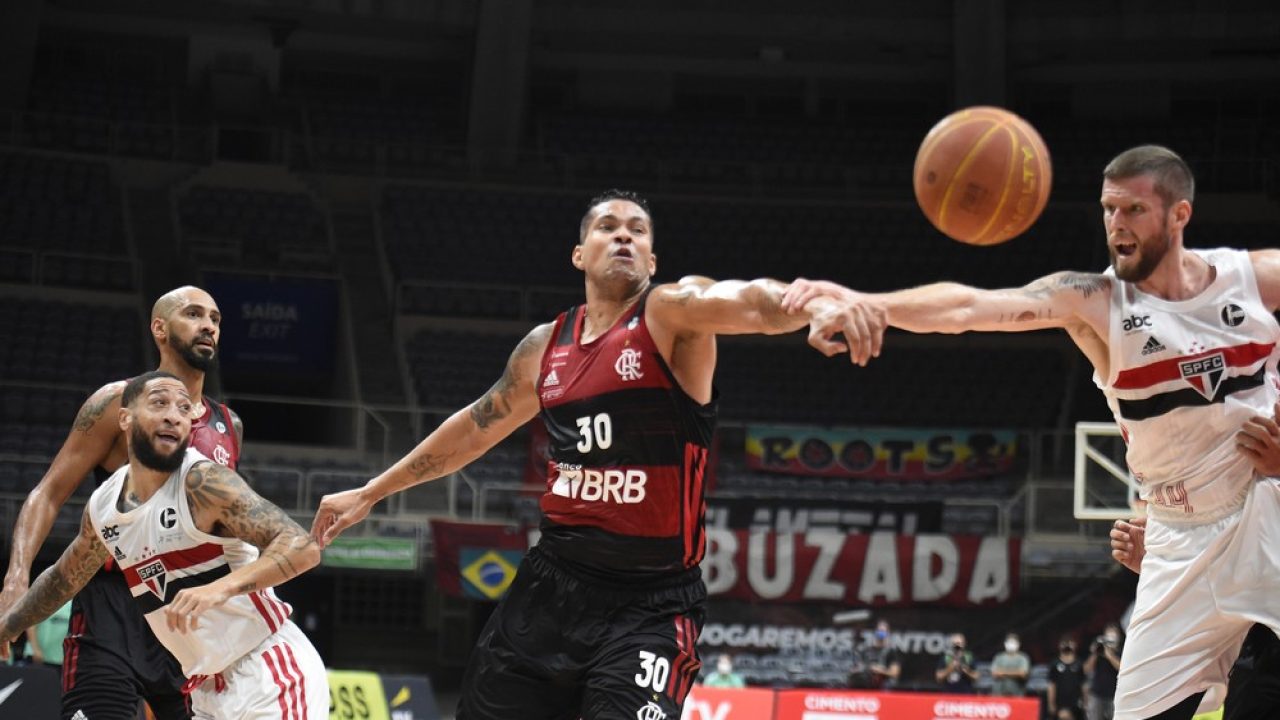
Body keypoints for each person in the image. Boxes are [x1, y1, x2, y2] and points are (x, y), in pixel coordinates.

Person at [310, 189, 885, 719]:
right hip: (550, 588)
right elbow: (475, 428)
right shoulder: (545, 346)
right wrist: (372, 491)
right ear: (579, 254)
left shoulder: (670, 315)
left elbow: (748, 302)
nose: (624, 236)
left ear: (653, 262)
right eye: (608, 227)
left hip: (650, 606)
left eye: (638, 230)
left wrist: (807, 307)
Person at [786, 145, 1280, 720]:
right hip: (1177, 538)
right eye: (1108, 209)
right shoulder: (1094, 301)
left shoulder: (1255, 280)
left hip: (1263, 513)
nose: (1116, 225)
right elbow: (972, 307)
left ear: (1179, 216)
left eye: (1133, 211)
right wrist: (866, 300)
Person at [0, 371, 324, 719]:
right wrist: (8, 625)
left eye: (185, 409)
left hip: (266, 669)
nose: (174, 415)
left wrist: (219, 589)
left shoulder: (203, 482)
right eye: (159, 403)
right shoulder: (104, 506)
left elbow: (302, 547)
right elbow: (65, 577)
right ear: (124, 418)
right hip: (205, 690)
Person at [0, 286, 242, 720]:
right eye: (194, 314)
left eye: (216, 318)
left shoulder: (229, 425)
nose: (209, 325)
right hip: (111, 603)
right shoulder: (118, 402)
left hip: (186, 615)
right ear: (160, 329)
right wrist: (17, 578)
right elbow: (49, 492)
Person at [1085, 623, 1124, 720]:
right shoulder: (1099, 651)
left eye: (1113, 633)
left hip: (1114, 695)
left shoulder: (1121, 651)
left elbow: (1121, 668)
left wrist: (1110, 655)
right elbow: (1087, 669)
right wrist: (1095, 653)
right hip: (1097, 694)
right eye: (1108, 633)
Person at [22, 600, 72, 673]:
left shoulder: (74, 601)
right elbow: (31, 624)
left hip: (63, 660)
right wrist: (35, 649)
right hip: (39, 658)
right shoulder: (44, 597)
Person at [852, 619, 901, 690]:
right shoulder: (866, 650)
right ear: (875, 632)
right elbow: (858, 667)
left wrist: (880, 670)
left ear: (888, 633)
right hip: (866, 686)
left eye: (883, 631)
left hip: (884, 688)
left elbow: (895, 673)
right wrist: (858, 670)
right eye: (879, 630)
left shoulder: (891, 652)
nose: (881, 633)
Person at [1049, 636, 1087, 720]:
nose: (1067, 646)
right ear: (1059, 646)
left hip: (1076, 702)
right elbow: (1052, 685)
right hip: (1060, 702)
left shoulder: (1079, 664)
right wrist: (1051, 703)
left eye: (1070, 643)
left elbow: (1083, 684)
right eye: (1064, 643)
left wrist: (1085, 702)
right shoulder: (1054, 664)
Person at [990, 631, 1031, 697]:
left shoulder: (1023, 658)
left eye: (1013, 642)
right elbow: (995, 674)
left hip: (1017, 693)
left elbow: (1023, 674)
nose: (1011, 644)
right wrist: (1015, 672)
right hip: (999, 693)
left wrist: (1003, 672)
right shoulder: (998, 657)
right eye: (1009, 642)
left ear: (1018, 644)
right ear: (1005, 644)